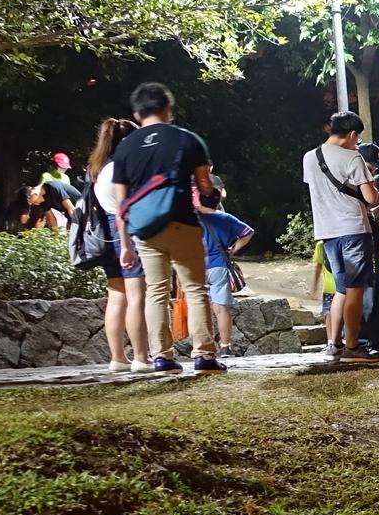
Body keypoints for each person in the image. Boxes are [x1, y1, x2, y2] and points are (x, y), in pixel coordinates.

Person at [110, 83, 224, 374]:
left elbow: (121, 204)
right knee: (196, 289)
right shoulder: (187, 140)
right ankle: (204, 356)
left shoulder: (125, 147)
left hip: (144, 229)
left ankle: (162, 357)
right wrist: (211, 195)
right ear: (167, 109)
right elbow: (205, 185)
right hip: (181, 221)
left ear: (137, 114)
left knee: (156, 292)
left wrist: (125, 244)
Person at [302, 112, 379, 362]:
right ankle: (353, 347)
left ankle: (334, 343)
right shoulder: (353, 158)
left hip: (327, 231)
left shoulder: (310, 157)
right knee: (355, 290)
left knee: (341, 289)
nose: (357, 142)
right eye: (357, 137)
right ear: (351, 135)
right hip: (353, 229)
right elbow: (370, 198)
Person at [88, 118, 148, 372]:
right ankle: (142, 358)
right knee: (137, 297)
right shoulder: (123, 169)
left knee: (117, 297)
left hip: (108, 234)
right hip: (127, 232)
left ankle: (117, 358)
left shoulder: (99, 170)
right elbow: (127, 208)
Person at [197, 189, 254, 358]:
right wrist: (234, 248)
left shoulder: (192, 218)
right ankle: (225, 347)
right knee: (221, 309)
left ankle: (203, 348)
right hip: (219, 266)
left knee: (200, 307)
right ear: (217, 201)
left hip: (197, 267)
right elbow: (248, 232)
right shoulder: (225, 217)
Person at [356, 142, 379, 356]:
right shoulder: (353, 178)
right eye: (371, 167)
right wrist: (376, 201)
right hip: (362, 240)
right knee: (369, 290)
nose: (374, 172)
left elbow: (367, 214)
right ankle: (366, 340)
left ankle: (377, 341)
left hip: (369, 236)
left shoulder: (364, 180)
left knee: (377, 290)